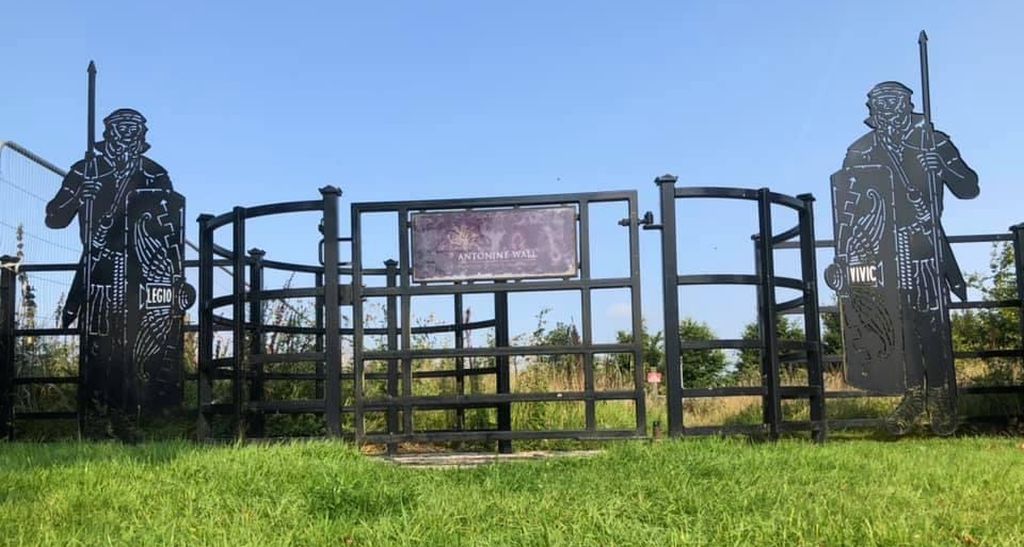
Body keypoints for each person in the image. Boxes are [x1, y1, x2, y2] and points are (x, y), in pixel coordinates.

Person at [843, 81, 979, 436]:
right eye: (881, 103)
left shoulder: (932, 141)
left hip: (924, 244)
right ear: (871, 109)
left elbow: (969, 187)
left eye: (895, 101)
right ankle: (912, 396)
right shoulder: (860, 151)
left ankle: (941, 396)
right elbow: (848, 205)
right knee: (896, 325)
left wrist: (944, 168)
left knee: (932, 324)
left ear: (908, 105)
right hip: (880, 248)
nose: (888, 109)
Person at [45, 108, 172, 440]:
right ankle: (95, 418)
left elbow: (168, 219)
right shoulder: (85, 170)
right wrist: (77, 196)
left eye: (133, 127)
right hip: (99, 267)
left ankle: (128, 417)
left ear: (142, 134)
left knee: (133, 348)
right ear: (109, 132)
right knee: (98, 346)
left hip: (139, 272)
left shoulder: (154, 174)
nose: (127, 133)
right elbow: (54, 218)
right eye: (121, 127)